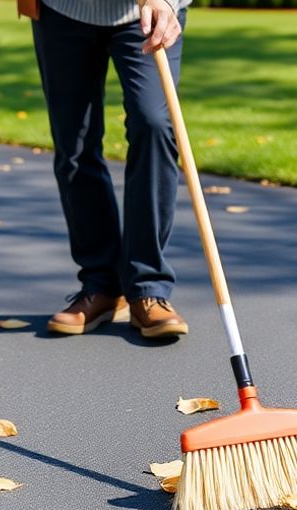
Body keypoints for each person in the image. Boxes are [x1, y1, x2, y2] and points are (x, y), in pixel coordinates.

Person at [18, 0, 191, 339]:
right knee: (74, 144)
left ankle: (149, 286)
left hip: (144, 10)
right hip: (64, 10)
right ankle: (101, 285)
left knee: (154, 123)